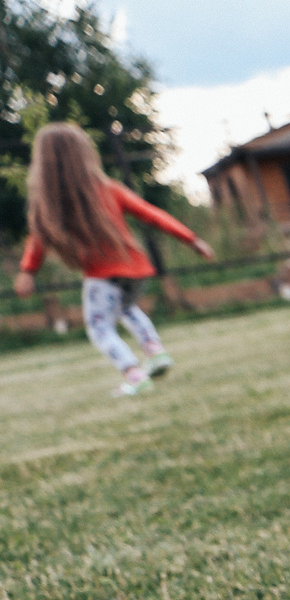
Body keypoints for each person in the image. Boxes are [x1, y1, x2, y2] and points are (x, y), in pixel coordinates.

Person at [12, 122, 215, 397]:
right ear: (85, 154)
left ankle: (134, 374)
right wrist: (192, 239)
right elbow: (151, 214)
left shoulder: (52, 204)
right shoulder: (109, 190)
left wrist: (27, 272)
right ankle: (155, 351)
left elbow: (37, 240)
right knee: (126, 308)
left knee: (99, 328)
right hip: (136, 270)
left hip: (102, 276)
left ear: (43, 164)